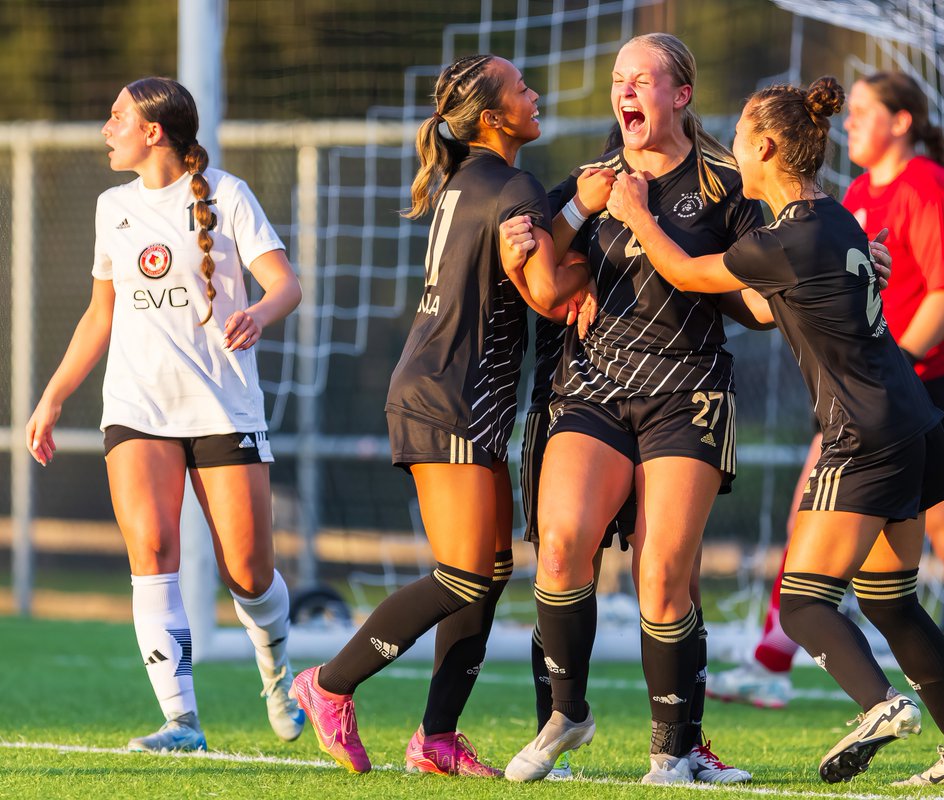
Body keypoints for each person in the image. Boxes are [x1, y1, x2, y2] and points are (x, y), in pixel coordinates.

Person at [606, 76, 944, 786]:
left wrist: (637, 213)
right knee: (890, 600)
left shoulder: (783, 238)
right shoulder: (835, 217)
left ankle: (881, 706)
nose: (730, 146)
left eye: (738, 134)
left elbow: (687, 273)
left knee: (802, 602)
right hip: (915, 424)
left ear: (764, 147)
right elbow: (785, 300)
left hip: (864, 434)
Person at [288, 54, 590, 777]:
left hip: (455, 393)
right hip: (450, 395)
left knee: (489, 569)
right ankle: (329, 683)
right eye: (521, 89)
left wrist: (572, 207)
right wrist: (593, 231)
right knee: (463, 574)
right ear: (492, 118)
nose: (535, 95)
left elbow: (529, 254)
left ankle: (437, 738)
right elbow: (551, 293)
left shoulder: (476, 179)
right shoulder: (510, 184)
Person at [707, 70, 944, 714]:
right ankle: (772, 662)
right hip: (867, 382)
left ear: (901, 122)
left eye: (864, 110)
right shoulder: (854, 194)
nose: (850, 121)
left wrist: (896, 364)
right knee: (828, 522)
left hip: (927, 376)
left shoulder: (929, 186)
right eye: (848, 110)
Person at [500, 32, 776, 786]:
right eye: (619, 79)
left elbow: (757, 303)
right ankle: (566, 714)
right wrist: (548, 227)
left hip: (686, 393)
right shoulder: (592, 184)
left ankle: (675, 750)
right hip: (592, 387)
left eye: (642, 80)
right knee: (561, 548)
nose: (625, 91)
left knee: (663, 576)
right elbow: (544, 286)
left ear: (680, 96)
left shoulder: (726, 184)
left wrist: (826, 284)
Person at [26, 77, 306, 752]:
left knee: (249, 574)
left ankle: (276, 672)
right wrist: (53, 396)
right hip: (137, 406)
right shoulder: (112, 207)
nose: (106, 128)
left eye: (117, 116)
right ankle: (182, 721)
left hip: (222, 408)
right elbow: (101, 314)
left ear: (153, 131)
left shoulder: (228, 195)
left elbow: (285, 285)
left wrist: (258, 313)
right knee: (152, 550)